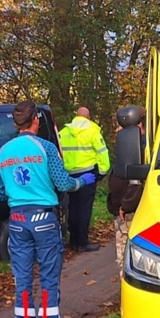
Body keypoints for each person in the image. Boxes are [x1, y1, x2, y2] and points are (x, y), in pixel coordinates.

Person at [0, 101, 95, 318]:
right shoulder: (46, 148)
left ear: (16, 123)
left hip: (17, 220)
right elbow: (63, 183)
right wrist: (83, 181)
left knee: (23, 280)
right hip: (45, 220)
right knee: (48, 280)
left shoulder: (3, 152)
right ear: (36, 120)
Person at [58, 107, 110, 252]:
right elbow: (102, 154)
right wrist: (102, 172)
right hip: (87, 175)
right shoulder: (93, 131)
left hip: (68, 175)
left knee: (72, 208)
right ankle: (82, 242)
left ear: (76, 116)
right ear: (89, 117)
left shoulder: (63, 133)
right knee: (84, 209)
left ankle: (73, 240)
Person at [107, 121, 144, 278]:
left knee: (128, 261)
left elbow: (137, 182)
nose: (117, 130)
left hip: (131, 212)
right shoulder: (132, 147)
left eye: (122, 126)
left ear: (139, 125)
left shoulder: (139, 148)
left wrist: (127, 204)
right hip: (125, 209)